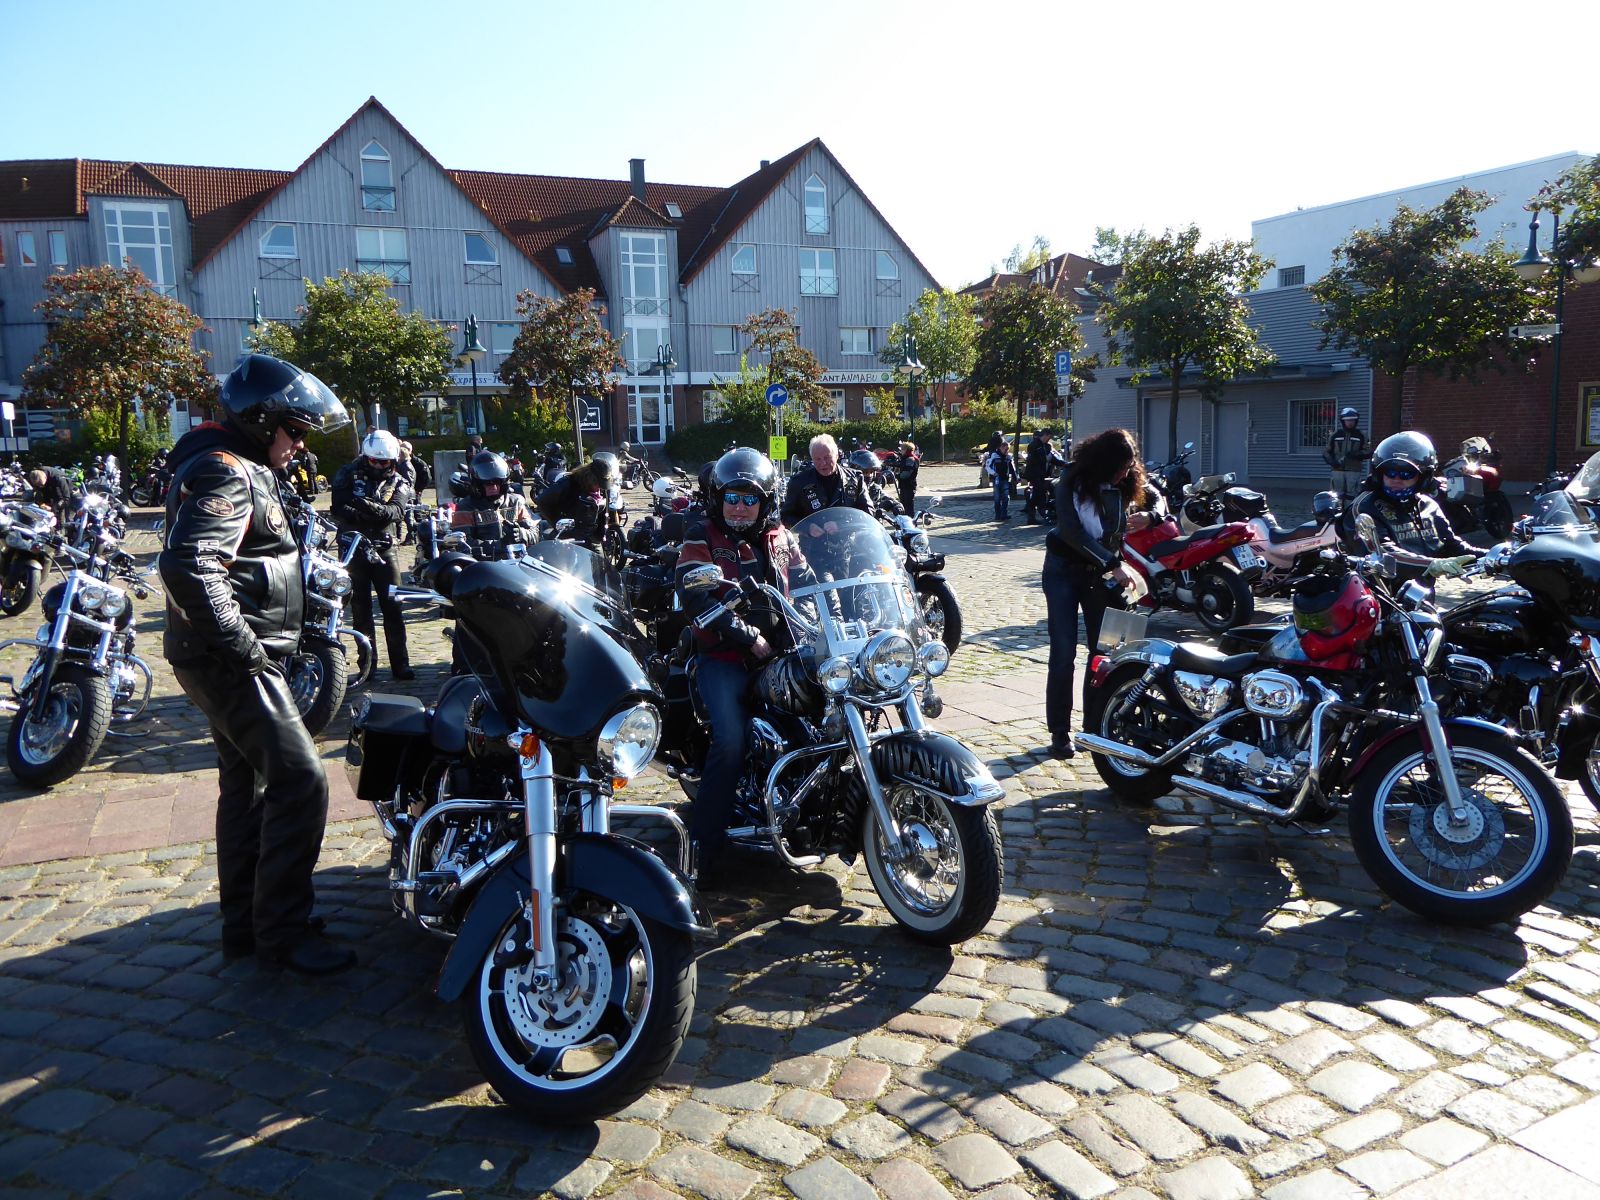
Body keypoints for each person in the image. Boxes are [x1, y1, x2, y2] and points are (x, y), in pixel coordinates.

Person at [158, 353, 356, 975]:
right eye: (294, 430)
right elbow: (189, 563)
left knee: (243, 786)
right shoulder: (228, 470)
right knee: (301, 781)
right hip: (232, 658)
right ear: (261, 420)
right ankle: (283, 932)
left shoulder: (232, 462)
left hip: (215, 653)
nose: (300, 443)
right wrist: (244, 648)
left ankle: (244, 923)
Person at [674, 448, 816, 887]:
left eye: (749, 499)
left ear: (765, 501)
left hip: (782, 652)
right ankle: (703, 851)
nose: (739, 507)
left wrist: (835, 606)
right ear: (719, 499)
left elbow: (809, 580)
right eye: (732, 498)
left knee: (820, 724)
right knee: (731, 740)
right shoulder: (701, 536)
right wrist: (745, 636)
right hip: (723, 656)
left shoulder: (781, 536)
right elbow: (694, 595)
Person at [1043, 428, 1149, 759]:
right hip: (1062, 570)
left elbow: (1157, 497)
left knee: (1102, 653)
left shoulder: (1128, 478)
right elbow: (1071, 532)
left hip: (1098, 575)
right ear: (1104, 462)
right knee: (1063, 652)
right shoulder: (1071, 479)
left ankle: (1093, 727)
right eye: (1120, 468)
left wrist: (1151, 515)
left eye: (1129, 467)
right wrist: (1113, 563)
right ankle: (1059, 732)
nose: (1125, 474)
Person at [331, 430, 416, 682]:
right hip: (353, 546)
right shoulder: (347, 473)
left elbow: (395, 512)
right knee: (360, 609)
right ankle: (367, 665)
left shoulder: (399, 481)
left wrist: (363, 505)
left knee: (393, 606)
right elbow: (338, 507)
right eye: (373, 461)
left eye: (384, 462)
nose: (378, 466)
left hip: (384, 547)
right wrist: (370, 512)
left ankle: (401, 664)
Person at [1350, 431, 1477, 582]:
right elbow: (1380, 553)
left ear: (1423, 477)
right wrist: (1431, 564)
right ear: (1379, 474)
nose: (1397, 479)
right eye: (1390, 473)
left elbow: (1451, 544)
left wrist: (1494, 555)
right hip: (1377, 591)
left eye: (1406, 474)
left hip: (1419, 591)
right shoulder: (1365, 507)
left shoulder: (1427, 505)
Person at [779, 433, 874, 527]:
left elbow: (868, 512)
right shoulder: (799, 482)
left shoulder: (855, 479)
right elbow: (786, 516)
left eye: (827, 457)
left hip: (849, 536)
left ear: (837, 455)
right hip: (811, 536)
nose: (823, 463)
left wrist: (842, 524)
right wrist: (808, 527)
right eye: (817, 459)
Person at [452, 450, 538, 553]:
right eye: (488, 483)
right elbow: (462, 543)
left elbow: (535, 533)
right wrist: (499, 545)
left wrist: (521, 534)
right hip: (484, 562)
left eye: (497, 482)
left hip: (517, 559)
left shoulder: (516, 502)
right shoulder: (466, 507)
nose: (494, 487)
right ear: (477, 483)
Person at [537, 453, 618, 547]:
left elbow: (604, 514)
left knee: (599, 556)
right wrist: (556, 522)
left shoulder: (603, 489)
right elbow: (543, 500)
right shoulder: (569, 483)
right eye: (597, 483)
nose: (599, 487)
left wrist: (600, 535)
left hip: (592, 539)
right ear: (589, 477)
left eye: (603, 483)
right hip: (569, 539)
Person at [1023, 429, 1067, 524]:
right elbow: (1032, 460)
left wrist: (1064, 464)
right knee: (1040, 494)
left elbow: (1052, 459)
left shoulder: (1046, 446)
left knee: (1039, 494)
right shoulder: (1034, 445)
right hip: (1034, 474)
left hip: (1041, 475)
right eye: (1049, 437)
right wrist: (1045, 459)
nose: (1049, 439)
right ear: (1045, 435)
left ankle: (1037, 516)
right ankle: (1040, 516)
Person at [1326, 407, 1369, 501]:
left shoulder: (1361, 435)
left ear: (1356, 421)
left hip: (1354, 470)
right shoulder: (1335, 435)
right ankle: (1337, 510)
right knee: (1336, 496)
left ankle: (1350, 510)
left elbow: (1368, 451)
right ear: (1343, 421)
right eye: (1347, 420)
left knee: (1352, 496)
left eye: (1352, 420)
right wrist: (1332, 462)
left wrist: (1357, 454)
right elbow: (1326, 452)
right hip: (1337, 470)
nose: (1350, 422)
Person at [846, 448, 904, 517]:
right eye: (865, 472)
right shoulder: (847, 490)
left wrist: (895, 504)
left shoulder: (874, 489)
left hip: (870, 522)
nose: (869, 475)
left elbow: (885, 497)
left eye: (871, 472)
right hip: (851, 522)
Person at [988, 441, 1018, 521]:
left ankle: (1004, 514)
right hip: (996, 479)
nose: (1007, 451)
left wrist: (1016, 477)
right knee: (997, 498)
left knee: (1006, 498)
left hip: (1005, 479)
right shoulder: (994, 456)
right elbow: (988, 466)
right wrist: (994, 473)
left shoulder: (1008, 457)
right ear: (1001, 448)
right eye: (1005, 449)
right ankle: (998, 515)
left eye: (1008, 449)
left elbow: (1012, 468)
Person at [893, 440, 920, 513]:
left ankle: (910, 519)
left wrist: (897, 476)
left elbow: (906, 474)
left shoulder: (910, 459)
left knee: (908, 506)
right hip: (904, 485)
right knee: (903, 505)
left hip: (909, 486)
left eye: (902, 449)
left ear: (907, 450)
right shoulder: (906, 458)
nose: (901, 450)